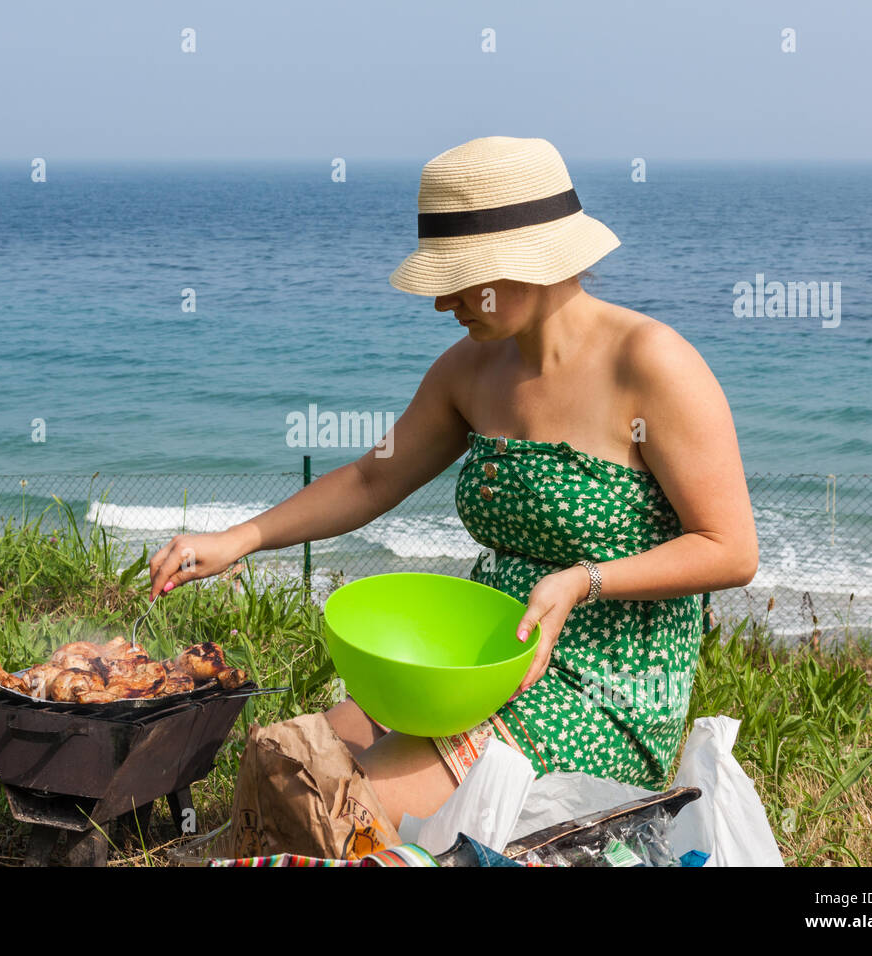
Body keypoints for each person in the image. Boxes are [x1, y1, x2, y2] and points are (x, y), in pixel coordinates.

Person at [148, 136, 758, 827]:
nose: (442, 302)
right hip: (479, 662)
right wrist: (240, 539)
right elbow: (371, 481)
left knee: (342, 807)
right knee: (280, 760)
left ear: (524, 261)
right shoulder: (470, 371)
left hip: (605, 691)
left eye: (459, 278)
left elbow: (730, 549)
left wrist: (582, 580)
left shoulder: (650, 363)